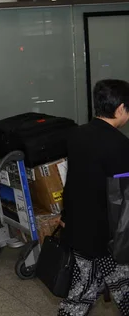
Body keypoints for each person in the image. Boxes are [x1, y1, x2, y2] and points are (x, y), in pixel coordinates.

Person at [59, 79, 129, 315]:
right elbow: (123, 195)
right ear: (120, 108)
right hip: (109, 236)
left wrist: (65, 214)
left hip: (80, 228)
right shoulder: (120, 145)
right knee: (121, 285)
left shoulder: (76, 135)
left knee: (84, 287)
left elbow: (72, 180)